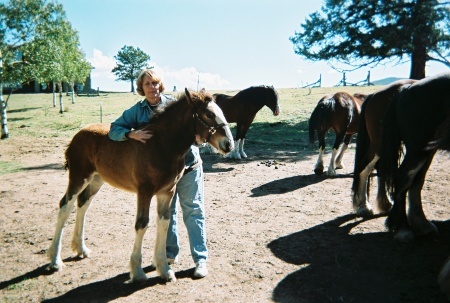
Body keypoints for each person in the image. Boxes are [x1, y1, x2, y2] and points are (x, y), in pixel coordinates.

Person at [108, 69, 208, 278]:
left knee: (193, 210)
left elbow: (199, 130)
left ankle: (200, 260)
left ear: (160, 85)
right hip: (163, 173)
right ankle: (166, 258)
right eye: (147, 84)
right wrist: (130, 133)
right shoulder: (137, 111)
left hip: (188, 166)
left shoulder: (175, 106)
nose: (152, 88)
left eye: (155, 83)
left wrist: (199, 136)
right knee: (167, 215)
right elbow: (113, 129)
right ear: (141, 88)